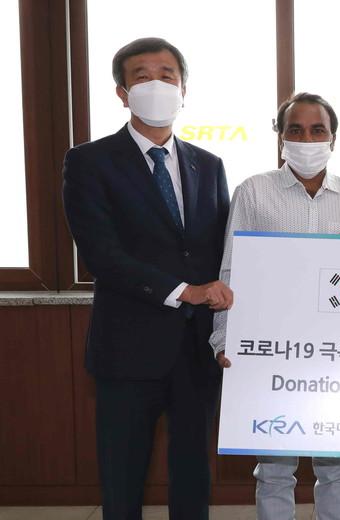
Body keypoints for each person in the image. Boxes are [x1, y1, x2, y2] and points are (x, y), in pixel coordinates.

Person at [62, 38, 233, 520]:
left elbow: (224, 251)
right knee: (123, 478)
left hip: (196, 348)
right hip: (128, 348)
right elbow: (101, 255)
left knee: (193, 475)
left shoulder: (208, 165)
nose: (156, 84)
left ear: (183, 90)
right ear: (122, 93)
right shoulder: (89, 161)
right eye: (142, 76)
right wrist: (184, 292)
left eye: (167, 75)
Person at [211, 92, 340, 520]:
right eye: (296, 130)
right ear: (280, 137)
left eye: (317, 130)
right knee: (273, 470)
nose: (307, 140)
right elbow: (232, 268)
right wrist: (224, 339)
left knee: (338, 469)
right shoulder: (253, 191)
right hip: (272, 352)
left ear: (333, 138)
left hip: (337, 355)